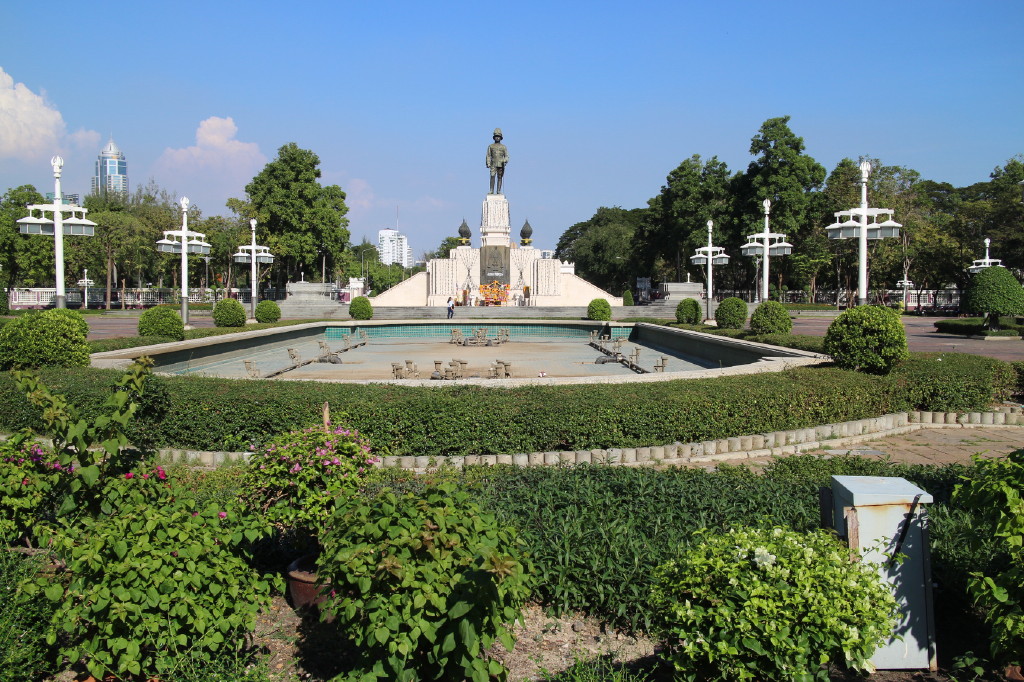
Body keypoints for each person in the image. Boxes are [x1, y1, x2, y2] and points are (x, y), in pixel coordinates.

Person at [486, 128, 508, 194]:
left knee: (499, 177)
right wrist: (488, 163)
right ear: (494, 137)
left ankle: (498, 191)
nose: (497, 138)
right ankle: (491, 190)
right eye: (496, 136)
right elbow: (488, 155)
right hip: (493, 163)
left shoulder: (503, 147)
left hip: (501, 164)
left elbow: (506, 156)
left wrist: (505, 160)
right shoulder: (491, 146)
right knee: (492, 176)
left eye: (498, 136)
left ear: (501, 138)